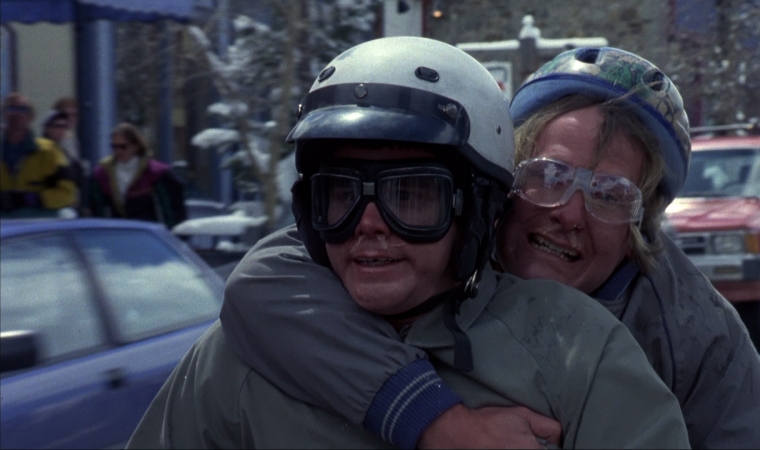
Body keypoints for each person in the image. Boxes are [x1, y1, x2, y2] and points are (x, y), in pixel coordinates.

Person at [219, 47, 760, 449]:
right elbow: (266, 280)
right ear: (499, 181)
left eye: (608, 194)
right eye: (548, 175)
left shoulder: (691, 330)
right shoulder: (435, 249)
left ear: (640, 224)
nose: (568, 213)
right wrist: (437, 421)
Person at [126, 37, 690, 449]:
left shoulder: (576, 352)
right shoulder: (247, 357)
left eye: (413, 194)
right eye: (341, 195)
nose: (369, 223)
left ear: (476, 210)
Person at [89, 122, 187, 228]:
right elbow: (97, 208)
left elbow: (171, 209)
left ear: (135, 146)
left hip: (146, 231)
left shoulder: (155, 172)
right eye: (114, 147)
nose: (118, 151)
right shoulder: (103, 173)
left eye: (123, 146)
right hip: (118, 231)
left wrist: (173, 232)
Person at [1, 92, 77, 218]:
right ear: (4, 114)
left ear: (31, 116)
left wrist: (31, 198)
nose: (17, 114)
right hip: (5, 223)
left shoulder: (49, 150)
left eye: (22, 109)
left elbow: (67, 194)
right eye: (12, 109)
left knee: (67, 214)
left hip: (39, 222)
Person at [41, 109, 85, 213]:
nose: (62, 130)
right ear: (47, 128)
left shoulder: (69, 149)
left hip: (70, 203)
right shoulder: (41, 150)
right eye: (58, 126)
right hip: (48, 205)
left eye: (65, 126)